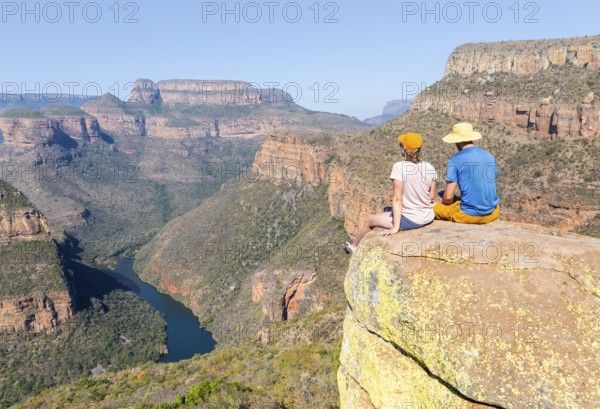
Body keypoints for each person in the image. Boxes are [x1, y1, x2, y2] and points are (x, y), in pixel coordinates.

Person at [345, 132, 437, 255]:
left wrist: (395, 227)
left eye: (401, 144)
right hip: (428, 215)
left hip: (412, 219)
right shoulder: (429, 167)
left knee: (369, 220)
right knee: (388, 210)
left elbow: (397, 199)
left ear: (404, 148)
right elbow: (431, 196)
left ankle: (355, 247)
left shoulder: (399, 167)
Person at [434, 122, 500, 224]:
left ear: (457, 141)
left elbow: (448, 198)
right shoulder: (489, 155)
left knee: (433, 208)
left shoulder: (455, 160)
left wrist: (441, 204)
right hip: (492, 213)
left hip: (469, 215)